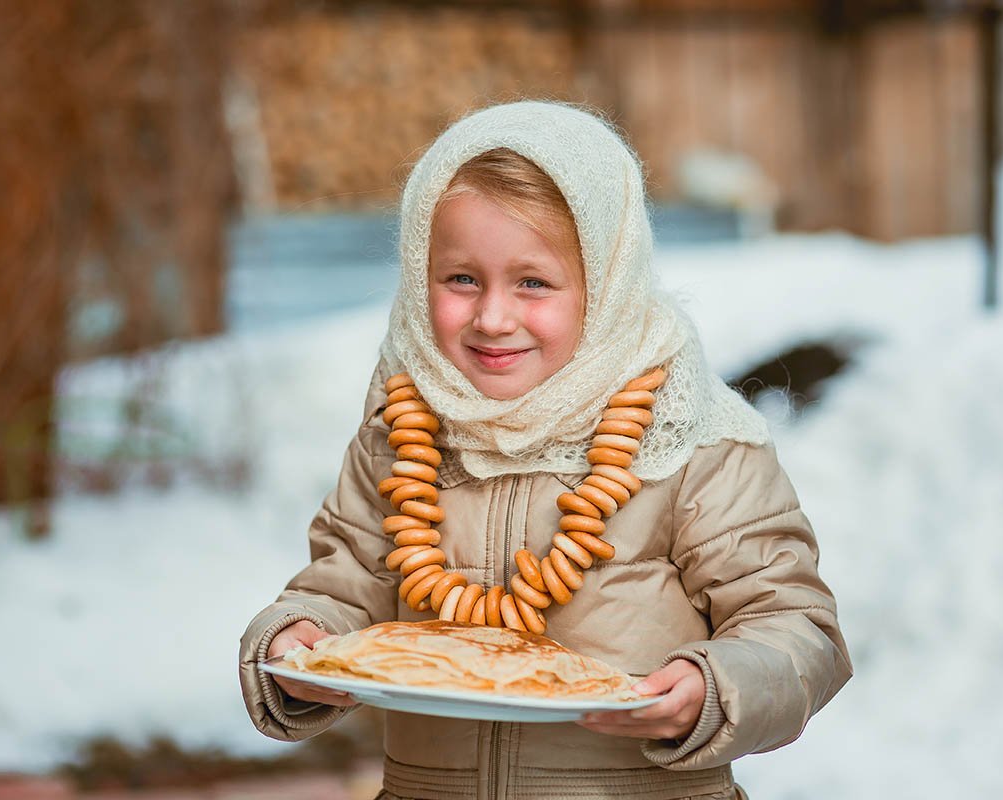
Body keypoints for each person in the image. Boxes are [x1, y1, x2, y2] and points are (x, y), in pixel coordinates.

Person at [239, 100, 851, 799]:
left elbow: (794, 627)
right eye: (461, 278)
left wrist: (715, 687)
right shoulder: (401, 432)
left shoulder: (694, 443)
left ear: (607, 284)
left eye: (533, 282)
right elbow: (342, 586)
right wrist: (294, 641)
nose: (493, 317)